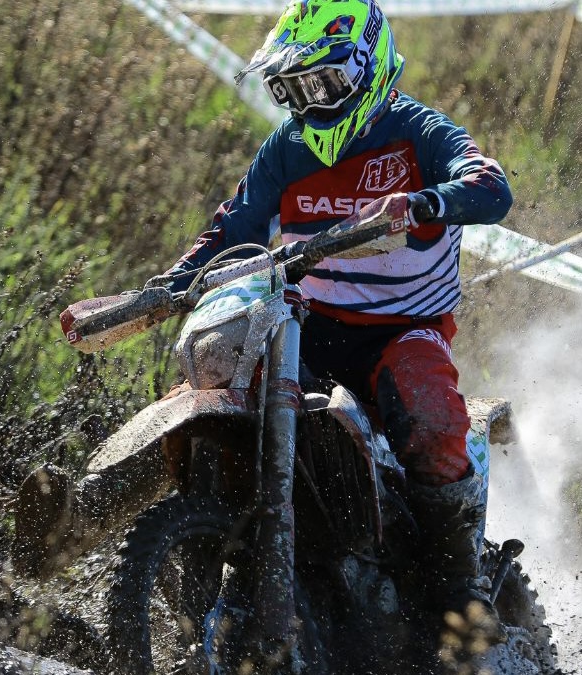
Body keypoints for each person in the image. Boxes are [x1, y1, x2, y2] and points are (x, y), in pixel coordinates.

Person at [151, 0, 514, 625]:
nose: (312, 102)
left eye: (326, 83)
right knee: (218, 379)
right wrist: (174, 281)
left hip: (400, 333)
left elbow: (491, 186)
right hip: (304, 328)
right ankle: (190, 553)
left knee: (428, 414)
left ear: (369, 65)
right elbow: (232, 226)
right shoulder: (285, 151)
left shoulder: (419, 132)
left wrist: (428, 201)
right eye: (295, 88)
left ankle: (460, 593)